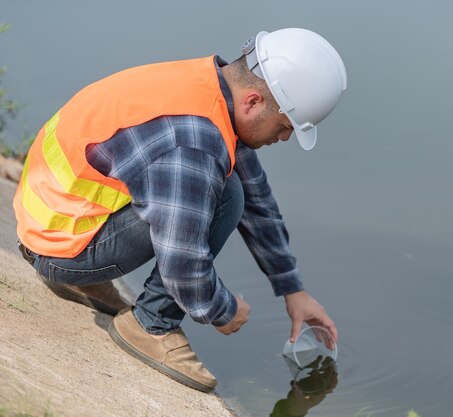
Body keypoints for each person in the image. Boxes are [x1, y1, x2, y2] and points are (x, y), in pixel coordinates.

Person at [13, 28, 347, 392]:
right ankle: (150, 324)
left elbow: (259, 200)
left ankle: (86, 277)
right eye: (284, 127)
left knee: (233, 186)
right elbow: (183, 262)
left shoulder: (209, 86)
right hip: (59, 246)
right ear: (254, 102)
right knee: (225, 196)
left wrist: (292, 289)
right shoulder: (196, 142)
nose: (284, 138)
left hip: (53, 215)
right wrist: (223, 309)